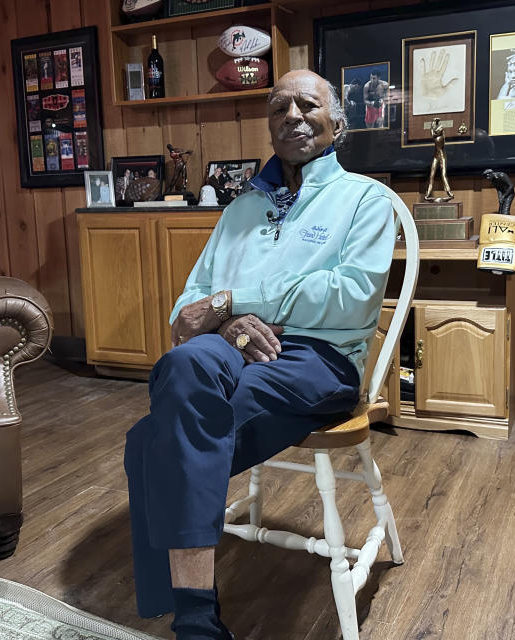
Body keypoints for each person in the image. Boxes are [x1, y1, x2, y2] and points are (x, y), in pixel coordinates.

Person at [123, 69, 396, 640]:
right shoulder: (239, 210)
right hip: (232, 345)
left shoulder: (364, 200)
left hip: (319, 359)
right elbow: (186, 316)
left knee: (153, 441)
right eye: (279, 108)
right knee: (183, 364)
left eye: (307, 104)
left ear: (337, 121)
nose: (293, 116)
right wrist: (228, 319)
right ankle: (197, 619)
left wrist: (234, 299)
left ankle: (191, 617)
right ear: (268, 125)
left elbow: (349, 298)